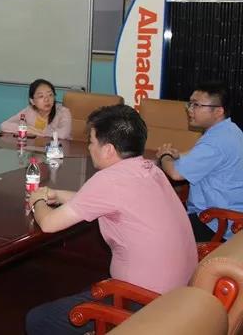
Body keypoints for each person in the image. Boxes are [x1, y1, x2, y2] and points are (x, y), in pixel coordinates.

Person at [26, 104, 196, 334]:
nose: (89, 147)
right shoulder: (149, 168)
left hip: (145, 301)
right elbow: (106, 201)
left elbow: (48, 224)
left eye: (91, 142)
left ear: (107, 150)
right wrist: (57, 194)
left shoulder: (109, 180)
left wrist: (37, 200)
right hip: (180, 292)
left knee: (38, 320)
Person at [156, 81, 243, 241]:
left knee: (153, 228)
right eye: (189, 104)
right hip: (224, 212)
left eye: (196, 105)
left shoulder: (215, 142)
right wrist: (178, 155)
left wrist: (164, 156)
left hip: (216, 222)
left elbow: (175, 174)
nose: (189, 110)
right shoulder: (229, 130)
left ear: (218, 111)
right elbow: (201, 156)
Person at [0, 79, 72, 139]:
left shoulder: (63, 112)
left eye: (50, 95)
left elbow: (63, 134)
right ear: (32, 101)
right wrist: (28, 129)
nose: (47, 99)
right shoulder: (29, 110)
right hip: (35, 148)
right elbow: (4, 125)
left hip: (58, 149)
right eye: (41, 96)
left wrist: (38, 132)